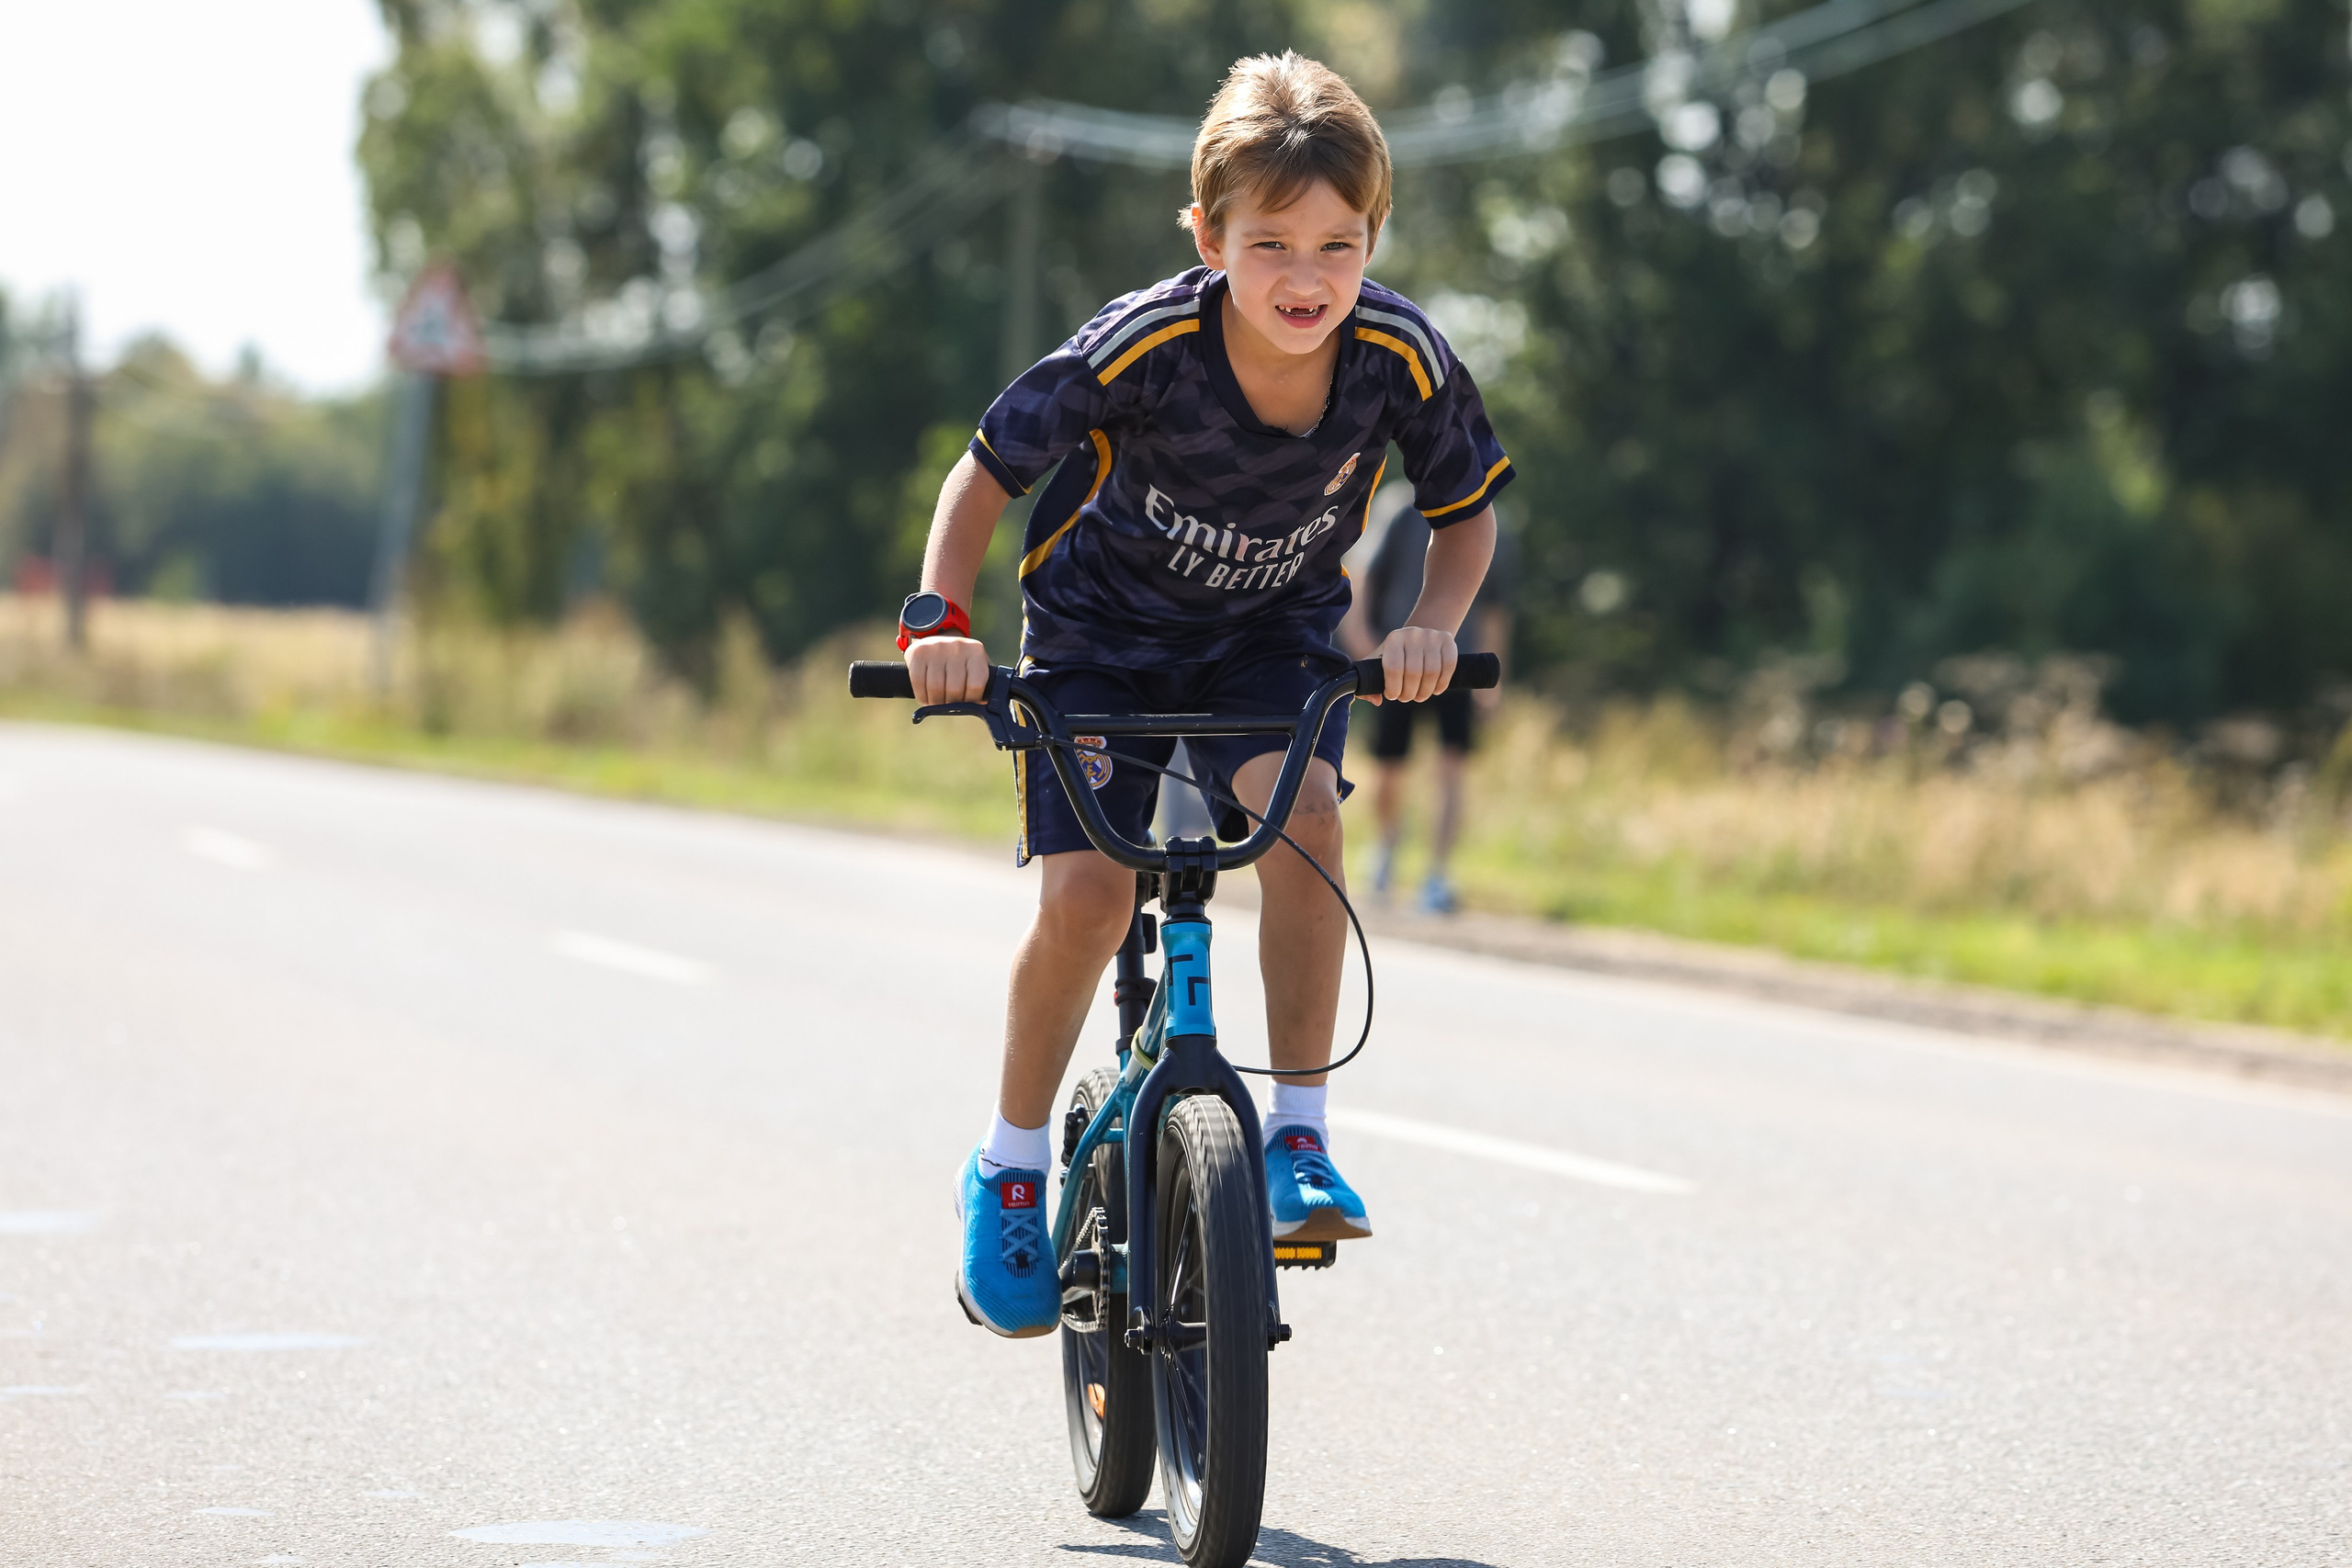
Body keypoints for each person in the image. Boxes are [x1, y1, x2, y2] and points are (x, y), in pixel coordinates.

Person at [900, 51, 1512, 1337]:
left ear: (1373, 238)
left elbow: (1465, 522)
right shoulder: (1147, 343)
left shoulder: (1398, 356)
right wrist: (938, 621)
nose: (1307, 277)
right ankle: (1009, 1163)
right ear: (1208, 234)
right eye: (1271, 243)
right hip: (1099, 636)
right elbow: (982, 475)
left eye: (1339, 246)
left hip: (1270, 635)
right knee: (1088, 893)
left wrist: (1431, 630)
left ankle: (1296, 1136)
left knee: (1306, 825)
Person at [1340, 486, 1515, 914]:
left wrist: (1495, 683)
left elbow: (1497, 607)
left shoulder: (1490, 518)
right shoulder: (1399, 506)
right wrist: (1363, 643)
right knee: (1390, 767)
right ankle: (1385, 849)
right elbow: (1359, 574)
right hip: (1398, 658)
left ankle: (1437, 873)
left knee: (1452, 768)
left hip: (1460, 662)